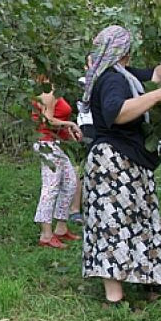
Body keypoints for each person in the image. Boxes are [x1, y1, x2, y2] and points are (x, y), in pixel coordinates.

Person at [81, 25, 161, 305]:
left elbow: (156, 74)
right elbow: (117, 113)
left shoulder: (122, 74)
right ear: (125, 50)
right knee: (113, 224)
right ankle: (114, 298)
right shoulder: (113, 80)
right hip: (113, 165)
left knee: (138, 221)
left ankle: (145, 282)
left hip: (128, 163)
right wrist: (156, 96)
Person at [31, 75, 83, 249]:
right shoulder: (46, 94)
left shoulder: (53, 91)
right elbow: (48, 120)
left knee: (70, 183)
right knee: (50, 187)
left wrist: (68, 133)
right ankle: (46, 234)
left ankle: (61, 228)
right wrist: (71, 124)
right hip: (47, 144)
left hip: (57, 144)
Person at [69, 53, 95, 224]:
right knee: (80, 168)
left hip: (102, 128)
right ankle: (75, 209)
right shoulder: (83, 82)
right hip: (86, 127)